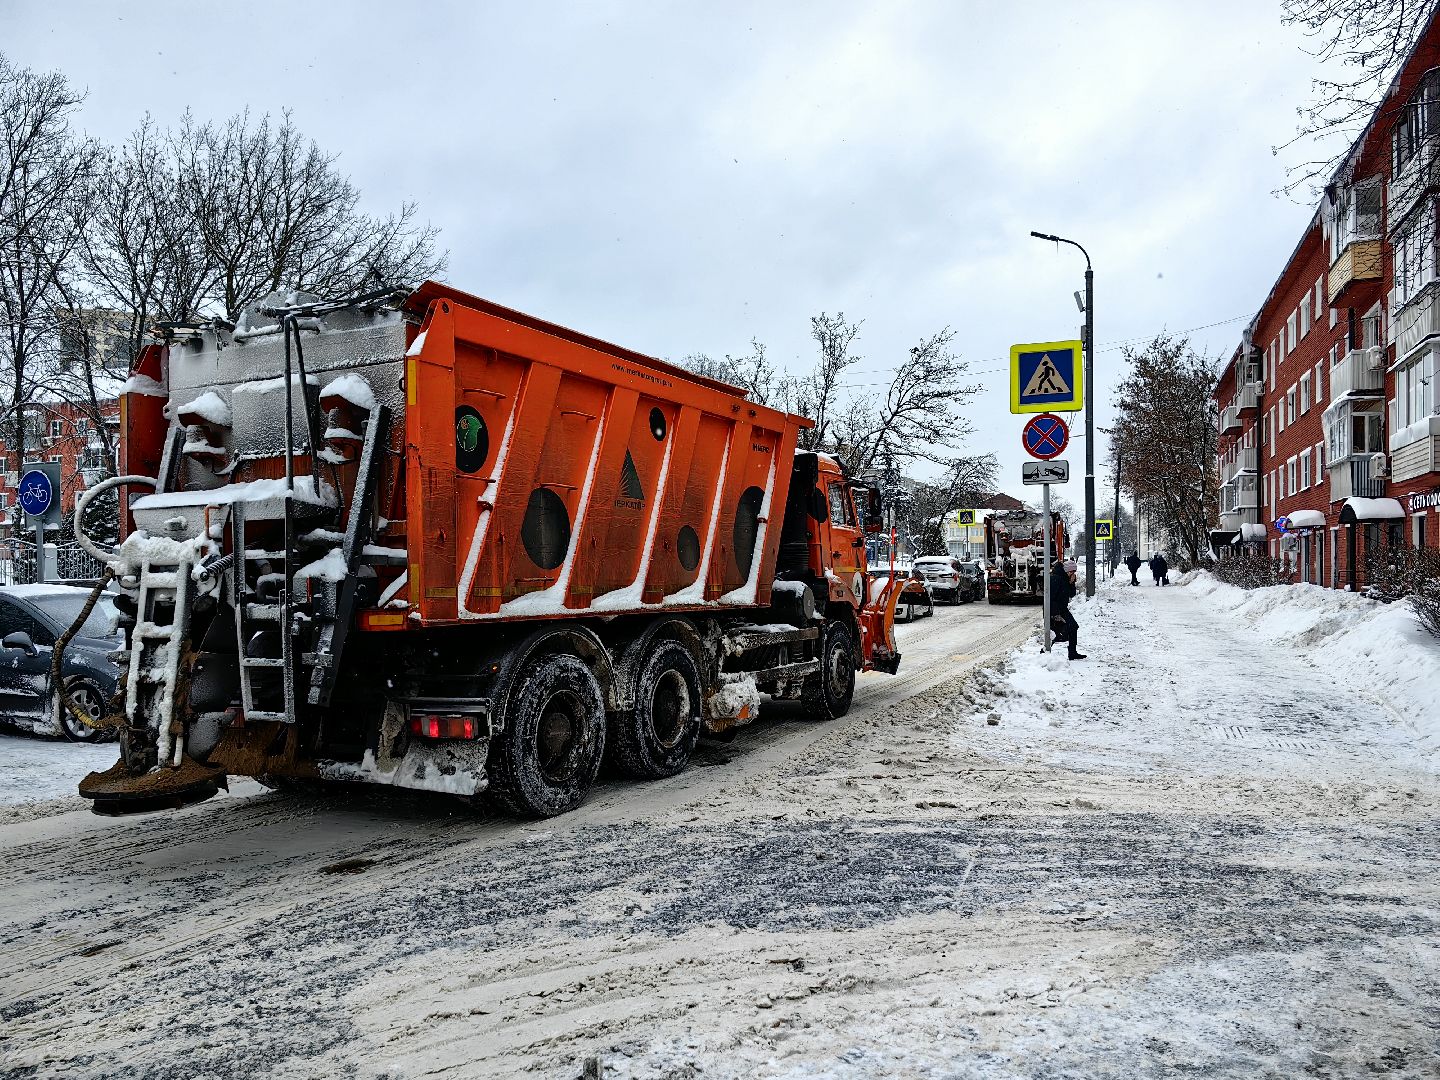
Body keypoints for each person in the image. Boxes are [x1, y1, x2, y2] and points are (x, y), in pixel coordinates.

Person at [1048, 558, 1085, 660]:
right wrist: (1056, 615)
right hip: (1053, 611)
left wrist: (1072, 583)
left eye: (1074, 572)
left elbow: (1071, 594)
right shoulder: (1055, 578)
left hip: (1062, 609)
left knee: (1073, 627)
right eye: (1072, 571)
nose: (1073, 573)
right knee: (1056, 633)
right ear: (1067, 570)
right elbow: (1050, 597)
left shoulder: (1065, 579)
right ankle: (1044, 653)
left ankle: (1072, 653)